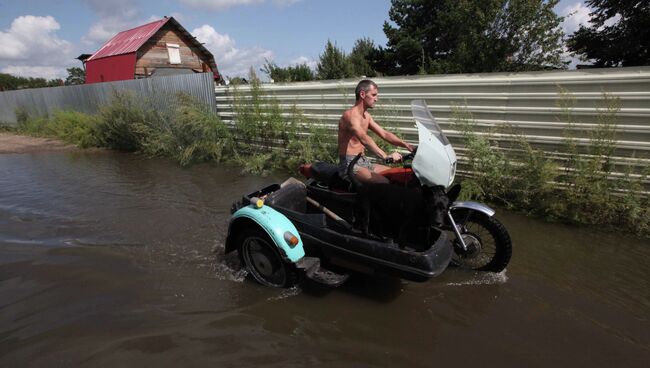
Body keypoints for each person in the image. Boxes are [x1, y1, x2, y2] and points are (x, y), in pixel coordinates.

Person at [338, 79, 414, 184]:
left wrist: (406, 145)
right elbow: (364, 138)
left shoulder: (367, 117)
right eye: (373, 95)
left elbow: (384, 134)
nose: (376, 99)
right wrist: (385, 156)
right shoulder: (350, 116)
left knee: (398, 175)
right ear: (362, 94)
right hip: (349, 165)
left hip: (364, 161)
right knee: (384, 183)